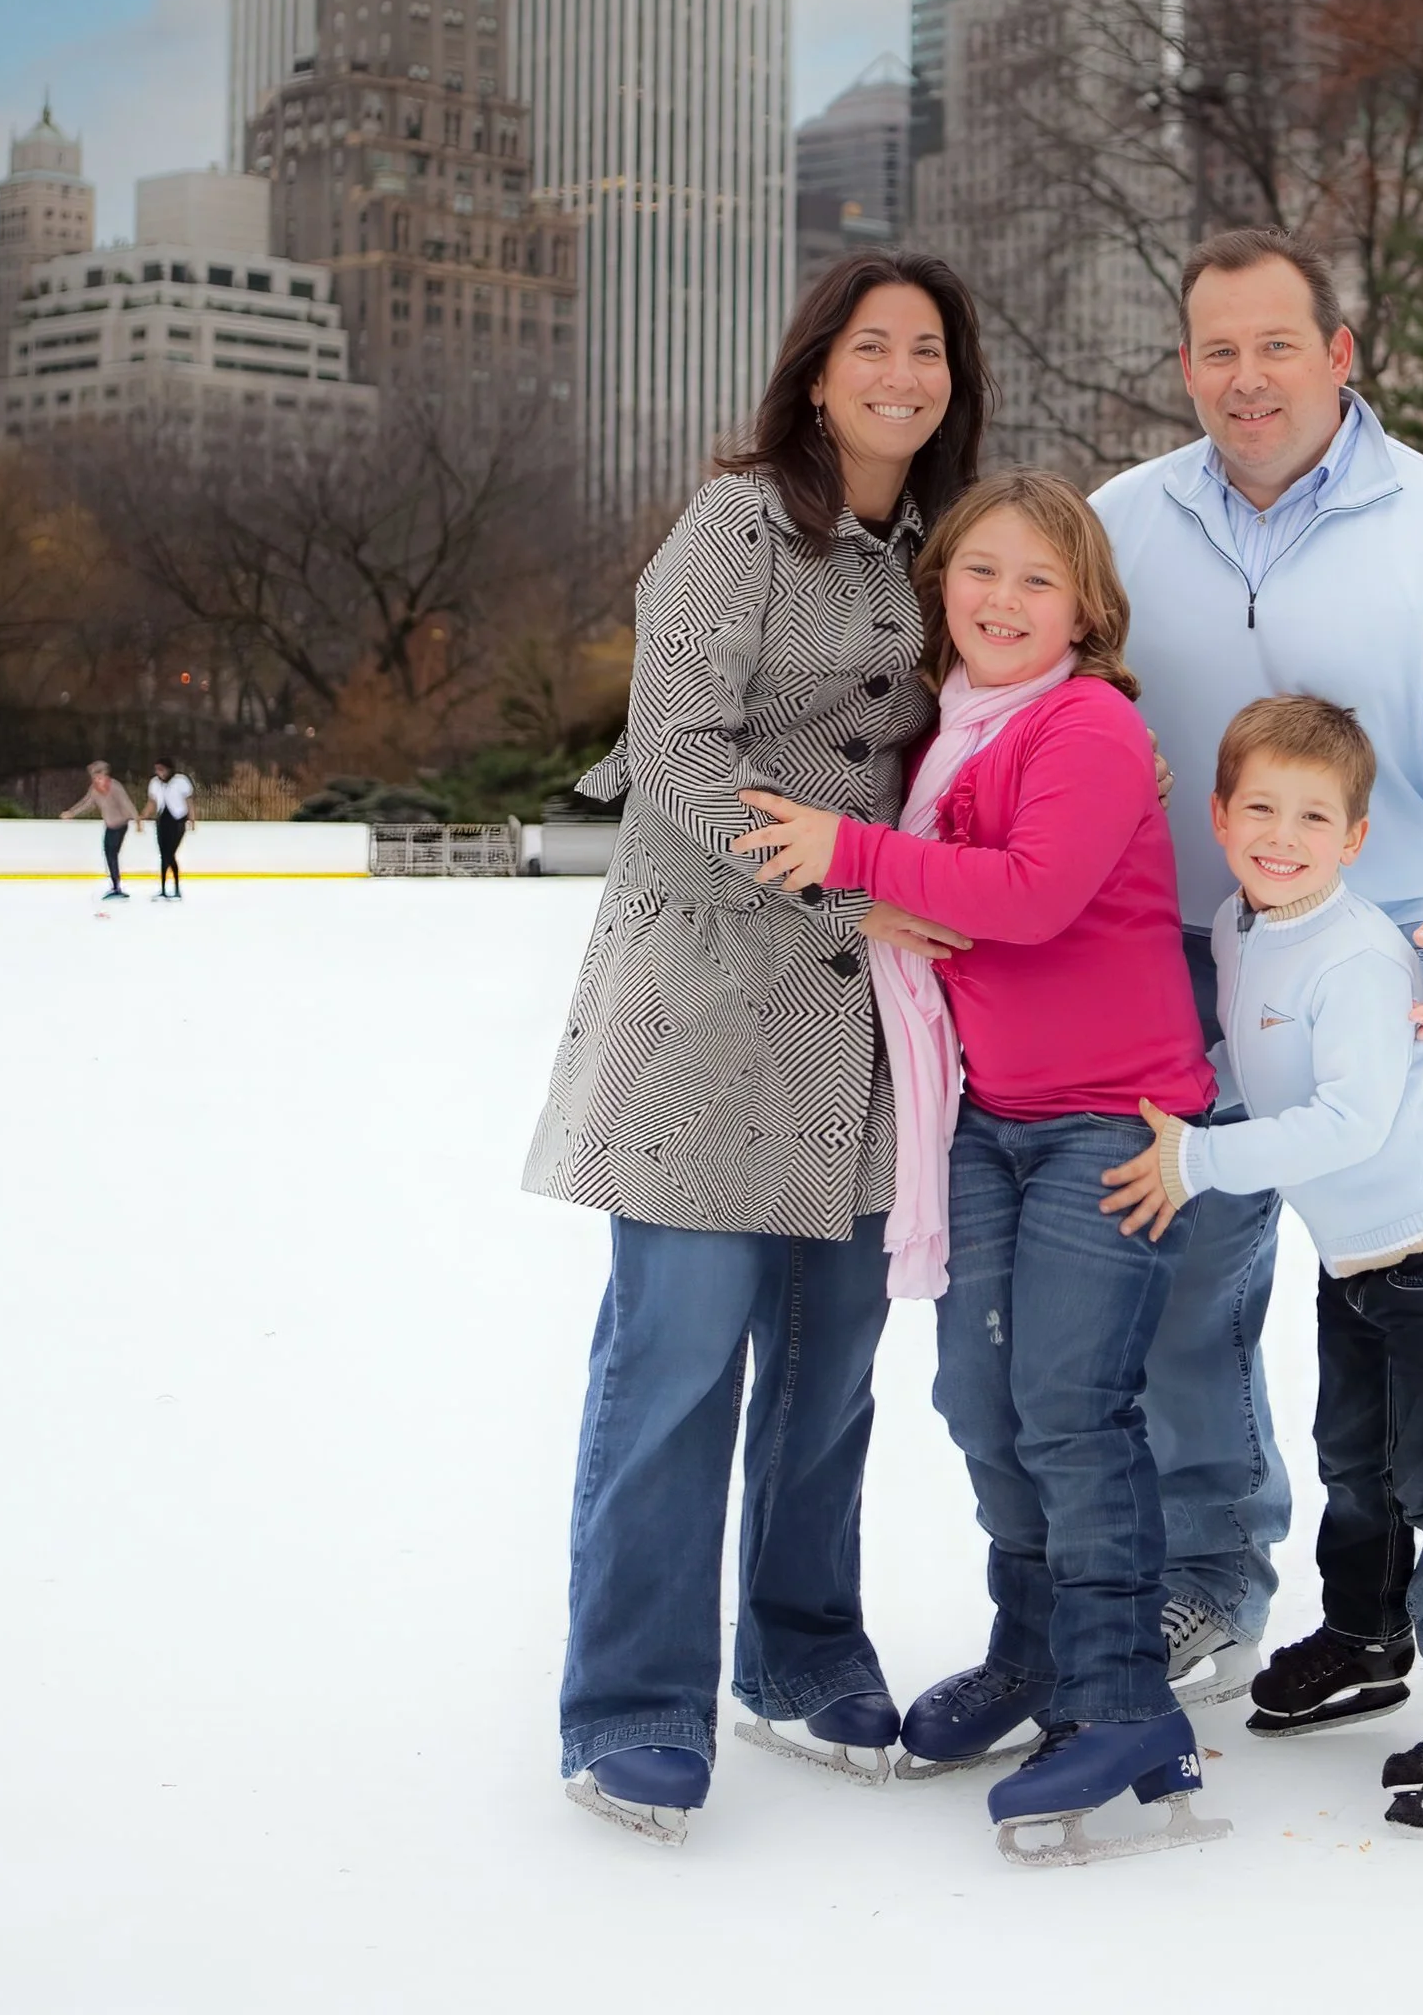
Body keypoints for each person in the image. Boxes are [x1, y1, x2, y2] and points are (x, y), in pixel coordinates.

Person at [520, 252, 992, 1849]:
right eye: (875, 346)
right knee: (679, 1356)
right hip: (715, 996)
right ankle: (636, 1701)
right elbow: (676, 752)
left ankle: (797, 1656)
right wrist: (854, 881)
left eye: (930, 351)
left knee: (831, 1360)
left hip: (869, 1020)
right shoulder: (738, 523)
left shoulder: (946, 550)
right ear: (815, 372)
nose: (904, 373)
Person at [1090, 225, 1423, 1701]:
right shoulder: (1116, 525)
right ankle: (1215, 1582)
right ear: (1185, 367)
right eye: (1217, 350)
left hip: (1394, 981)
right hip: (1182, 975)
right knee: (1184, 1311)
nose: (1247, 378)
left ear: (1341, 354)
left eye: (1276, 344)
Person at [732, 472, 1222, 1866]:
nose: (1003, 600)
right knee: (977, 1398)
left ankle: (1121, 1696)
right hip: (990, 1120)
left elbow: (1030, 895)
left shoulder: (1088, 724)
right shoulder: (947, 733)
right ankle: (1035, 1653)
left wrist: (850, 853)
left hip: (1105, 1123)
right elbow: (947, 897)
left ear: (1088, 610)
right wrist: (881, 878)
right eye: (980, 572)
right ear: (941, 584)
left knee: (1070, 1405)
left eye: (1039, 582)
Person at [1101, 695, 1423, 1835]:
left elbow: (1350, 1119)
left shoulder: (1359, 955)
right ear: (1217, 817)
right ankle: (1366, 1638)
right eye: (1259, 806)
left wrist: (1198, 1159)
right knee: (1356, 1456)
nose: (1282, 834)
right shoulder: (1239, 926)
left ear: (1355, 840)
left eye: (1314, 816)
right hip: (1360, 1252)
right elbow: (1245, 1048)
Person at [62, 759, 142, 900]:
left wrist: (137, 820)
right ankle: (115, 885)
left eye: (98, 776)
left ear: (105, 775)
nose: (96, 779)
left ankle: (117, 887)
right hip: (110, 825)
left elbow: (126, 803)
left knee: (112, 854)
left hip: (121, 824)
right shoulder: (94, 790)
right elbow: (86, 803)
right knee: (109, 854)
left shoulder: (115, 787)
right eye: (93, 777)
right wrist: (71, 813)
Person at [148, 758, 194, 899]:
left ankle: (176, 888)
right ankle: (162, 889)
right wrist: (142, 816)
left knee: (169, 854)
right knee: (164, 855)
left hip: (178, 820)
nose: (158, 772)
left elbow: (189, 800)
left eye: (161, 769)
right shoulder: (155, 783)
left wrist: (192, 818)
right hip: (162, 820)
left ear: (169, 769)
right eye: (157, 769)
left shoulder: (181, 780)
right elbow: (152, 802)